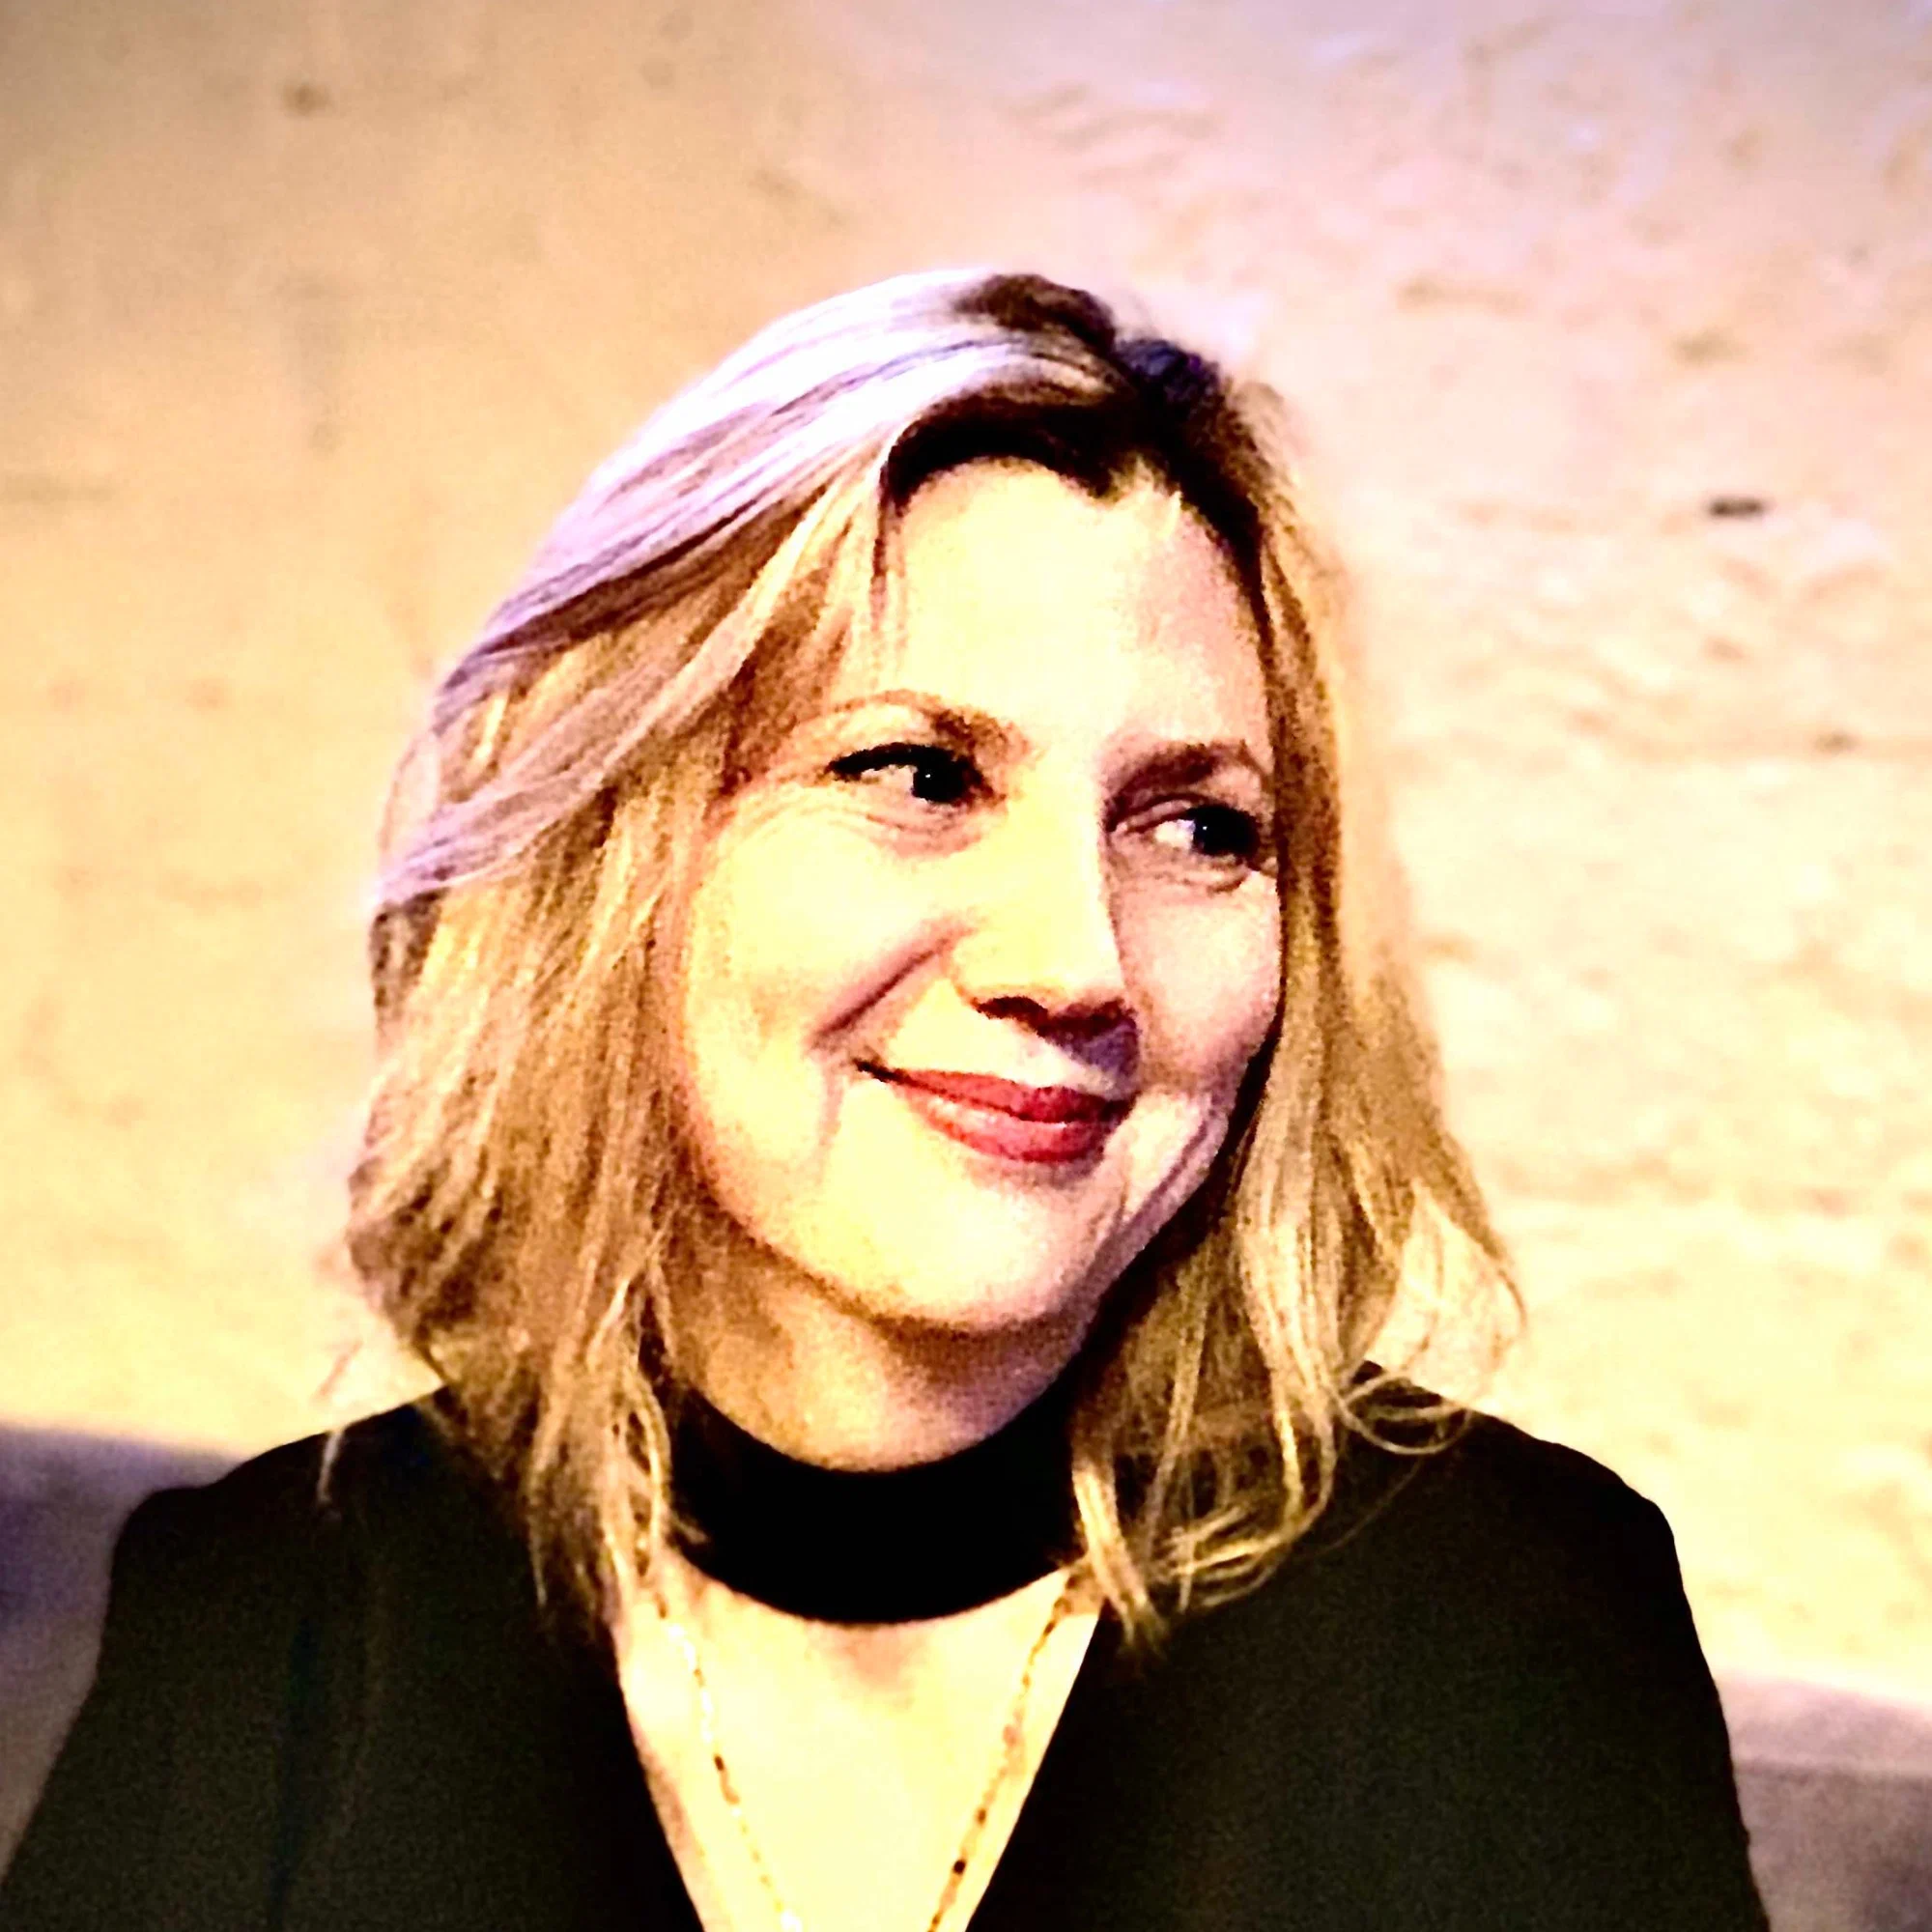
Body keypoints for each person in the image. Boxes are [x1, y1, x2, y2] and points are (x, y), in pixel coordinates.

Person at [1, 270, 1770, 1931]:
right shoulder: (278, 1623)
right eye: (919, 775)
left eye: (1196, 827)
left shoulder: (1502, 1627)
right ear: (613, 862)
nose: (1077, 960)